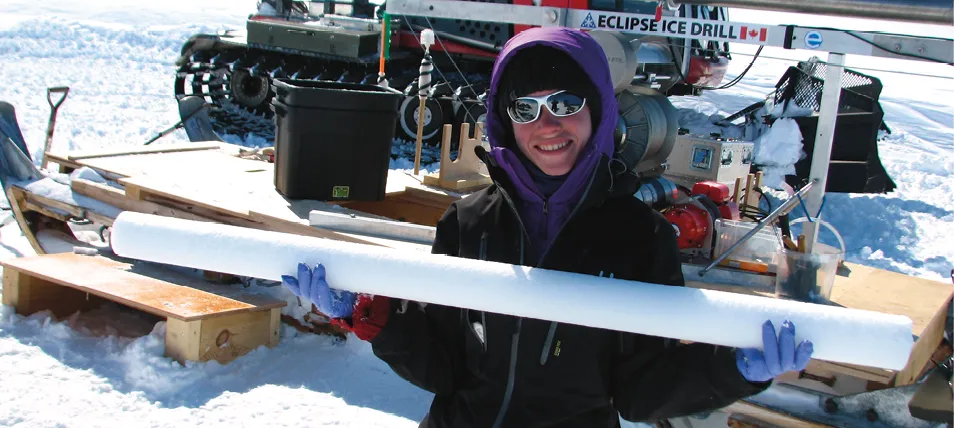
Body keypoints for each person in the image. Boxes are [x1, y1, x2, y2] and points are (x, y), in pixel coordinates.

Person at [281, 27, 814, 428]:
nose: (547, 125)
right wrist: (367, 314)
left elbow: (640, 391)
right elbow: (442, 367)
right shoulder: (468, 223)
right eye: (525, 107)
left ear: (600, 110)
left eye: (565, 102)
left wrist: (736, 370)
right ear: (504, 119)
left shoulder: (638, 238)